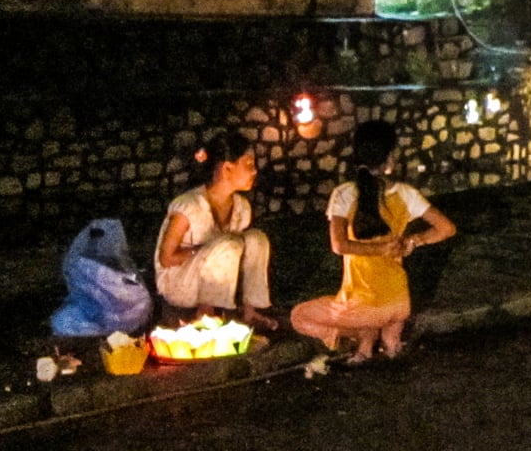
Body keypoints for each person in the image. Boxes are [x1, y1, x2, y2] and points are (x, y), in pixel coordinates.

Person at [291, 119, 456, 363]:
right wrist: (414, 241)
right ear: (389, 158)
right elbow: (447, 228)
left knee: (298, 316)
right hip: (399, 302)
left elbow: (339, 246)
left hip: (364, 307)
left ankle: (359, 340)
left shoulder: (344, 194)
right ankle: (383, 343)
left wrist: (377, 248)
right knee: (375, 319)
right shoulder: (405, 193)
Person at [154, 131, 277, 330]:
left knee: (256, 239)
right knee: (229, 244)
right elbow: (166, 258)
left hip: (211, 281)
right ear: (227, 169)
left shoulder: (241, 207)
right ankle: (205, 314)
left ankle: (250, 311)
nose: (254, 171)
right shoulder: (189, 206)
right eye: (248, 165)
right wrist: (201, 250)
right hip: (180, 284)